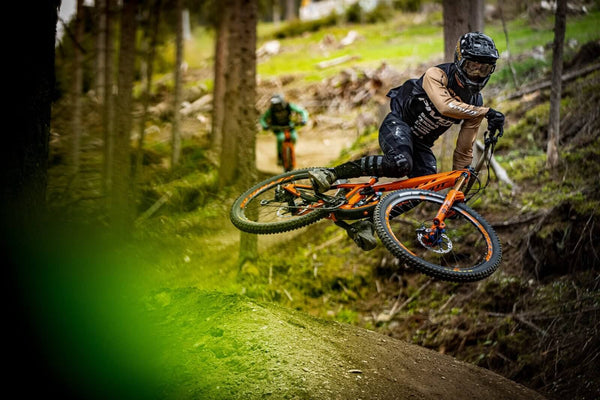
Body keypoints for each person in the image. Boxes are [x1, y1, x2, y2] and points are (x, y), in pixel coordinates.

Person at [308, 32, 506, 251]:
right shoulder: (437, 74)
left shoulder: (475, 104)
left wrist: (459, 189)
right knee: (401, 163)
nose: (477, 74)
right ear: (460, 60)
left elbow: (463, 150)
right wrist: (485, 112)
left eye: (484, 69)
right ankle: (332, 173)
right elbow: (444, 105)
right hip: (398, 124)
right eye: (472, 67)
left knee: (426, 187)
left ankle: (368, 224)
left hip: (421, 144)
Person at [260, 94, 309, 166]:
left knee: (294, 137)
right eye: (275, 104)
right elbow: (262, 119)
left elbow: (302, 111)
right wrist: (265, 126)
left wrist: (304, 120)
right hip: (277, 128)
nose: (277, 106)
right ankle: (280, 156)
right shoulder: (271, 110)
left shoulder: (289, 106)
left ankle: (291, 152)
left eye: (279, 104)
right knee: (280, 138)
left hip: (289, 126)